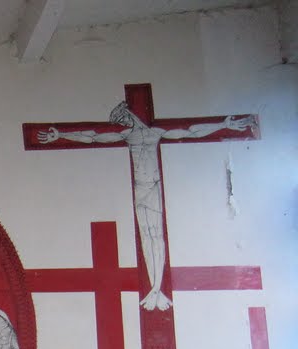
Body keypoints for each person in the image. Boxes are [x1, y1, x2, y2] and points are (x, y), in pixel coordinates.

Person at [37, 106, 254, 311]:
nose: (121, 124)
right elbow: (92, 136)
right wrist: (62, 135)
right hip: (141, 191)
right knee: (146, 236)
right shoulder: (128, 136)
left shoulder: (154, 133)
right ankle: (154, 288)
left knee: (157, 237)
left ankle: (157, 288)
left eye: (122, 119)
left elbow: (192, 131)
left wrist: (223, 125)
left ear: (130, 116)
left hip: (152, 189)